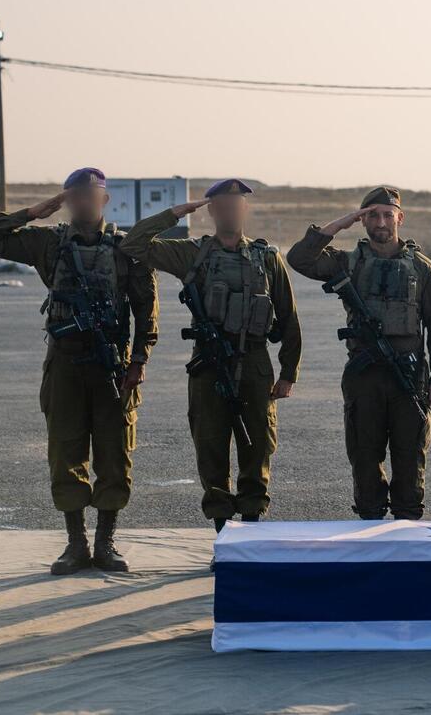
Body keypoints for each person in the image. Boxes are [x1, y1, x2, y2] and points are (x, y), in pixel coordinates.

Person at [0, 168, 158, 574]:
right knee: (65, 453)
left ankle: (106, 542)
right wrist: (33, 212)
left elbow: (147, 309)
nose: (84, 202)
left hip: (113, 365)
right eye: (75, 195)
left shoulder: (127, 249)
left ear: (104, 200)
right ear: (67, 200)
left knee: (114, 454)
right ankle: (76, 544)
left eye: (91, 195)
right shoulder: (48, 243)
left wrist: (139, 361)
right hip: (65, 364)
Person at [119, 179, 301, 535]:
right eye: (223, 205)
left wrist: (288, 373)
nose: (231, 210)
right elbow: (133, 244)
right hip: (209, 365)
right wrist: (173, 213)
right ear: (212, 211)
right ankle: (223, 532)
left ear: (244, 209)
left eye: (237, 204)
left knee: (257, 446)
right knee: (211, 448)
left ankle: (251, 529)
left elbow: (289, 318)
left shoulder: (268, 258)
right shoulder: (193, 253)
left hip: (255, 363)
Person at [286, 186, 431, 520]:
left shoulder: (423, 268)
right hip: (364, 376)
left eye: (387, 214)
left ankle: (406, 529)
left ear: (399, 218)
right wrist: (341, 223)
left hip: (408, 374)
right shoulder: (347, 262)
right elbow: (299, 258)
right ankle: (369, 526)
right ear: (363, 221)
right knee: (364, 454)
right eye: (372, 215)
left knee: (410, 456)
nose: (381, 221)